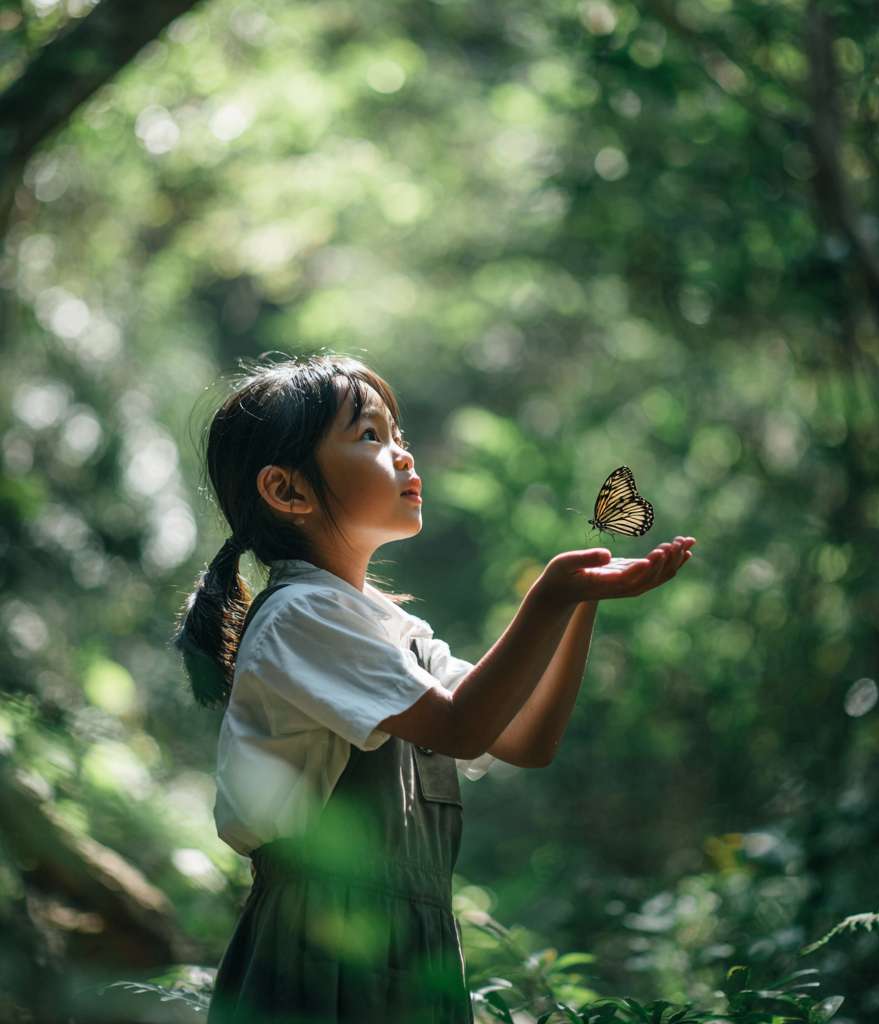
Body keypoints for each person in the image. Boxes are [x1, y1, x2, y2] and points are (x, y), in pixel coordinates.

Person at [172, 352, 695, 1024]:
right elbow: (460, 727)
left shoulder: (395, 630)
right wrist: (547, 594)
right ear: (289, 491)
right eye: (370, 436)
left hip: (411, 954)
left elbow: (526, 738)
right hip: (320, 951)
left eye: (400, 436)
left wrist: (579, 602)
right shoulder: (302, 616)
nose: (404, 457)